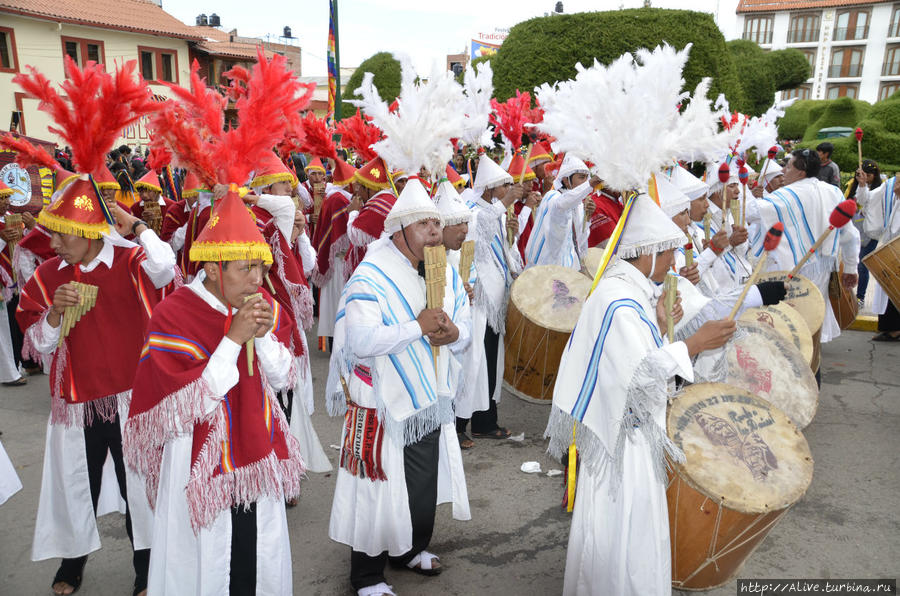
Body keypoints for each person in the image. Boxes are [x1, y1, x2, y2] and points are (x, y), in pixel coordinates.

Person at [12, 56, 170, 596]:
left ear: (93, 233)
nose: (54, 245)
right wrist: (55, 313)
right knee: (73, 485)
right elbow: (34, 341)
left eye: (63, 235)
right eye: (53, 234)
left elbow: (167, 265)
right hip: (76, 401)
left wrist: (132, 224)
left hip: (130, 396)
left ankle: (146, 567)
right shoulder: (52, 274)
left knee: (140, 487)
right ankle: (72, 561)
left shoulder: (129, 261)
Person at [545, 194, 736, 596]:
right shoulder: (618, 300)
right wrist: (695, 343)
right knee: (623, 526)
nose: (673, 262)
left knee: (627, 526)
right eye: (669, 253)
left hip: (628, 432)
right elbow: (642, 374)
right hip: (620, 441)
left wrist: (664, 323)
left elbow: (639, 357)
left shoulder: (629, 293)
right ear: (647, 252)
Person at [125, 189, 305, 594]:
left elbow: (283, 379)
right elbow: (186, 403)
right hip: (197, 459)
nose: (258, 280)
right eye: (247, 269)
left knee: (258, 554)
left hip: (257, 448)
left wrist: (265, 339)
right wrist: (233, 340)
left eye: (261, 267)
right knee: (207, 560)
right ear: (211, 268)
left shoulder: (261, 303)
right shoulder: (175, 312)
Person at [326, 176, 471, 596]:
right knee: (376, 486)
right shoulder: (370, 276)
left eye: (435, 223)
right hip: (381, 403)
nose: (434, 231)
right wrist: (417, 327)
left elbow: (462, 323)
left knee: (421, 481)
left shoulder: (439, 269)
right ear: (400, 230)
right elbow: (360, 341)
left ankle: (409, 549)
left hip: (427, 397)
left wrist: (453, 334)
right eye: (425, 224)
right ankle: (367, 574)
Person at [750, 148, 860, 347]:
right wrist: (851, 268)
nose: (784, 171)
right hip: (821, 271)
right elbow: (850, 235)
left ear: (801, 172)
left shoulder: (785, 195)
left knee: (786, 332)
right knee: (812, 326)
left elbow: (749, 213)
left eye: (789, 166)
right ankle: (812, 370)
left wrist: (748, 193)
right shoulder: (834, 192)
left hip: (789, 274)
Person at [458, 153, 521, 440]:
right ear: (489, 186)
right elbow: (479, 225)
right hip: (477, 296)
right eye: (503, 184)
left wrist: (512, 236)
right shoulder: (472, 208)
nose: (508, 189)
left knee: (491, 361)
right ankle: (461, 423)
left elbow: (500, 248)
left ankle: (486, 420)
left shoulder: (493, 208)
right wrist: (505, 205)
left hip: (494, 296)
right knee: (474, 362)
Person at [434, 177, 486, 450]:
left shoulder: (454, 253)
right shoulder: (427, 259)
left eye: (467, 224)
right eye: (459, 225)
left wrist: (466, 290)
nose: (466, 231)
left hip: (453, 342)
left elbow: (470, 281)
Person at [524, 154, 596, 269]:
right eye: (581, 177)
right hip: (543, 271)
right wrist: (591, 184)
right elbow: (562, 204)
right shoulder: (552, 197)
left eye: (586, 178)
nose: (585, 182)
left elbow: (579, 242)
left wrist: (587, 218)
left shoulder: (578, 205)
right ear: (566, 181)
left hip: (568, 270)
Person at [854, 164, 899, 340]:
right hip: (891, 246)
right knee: (888, 286)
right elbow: (865, 200)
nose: (897, 184)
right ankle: (891, 328)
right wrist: (863, 185)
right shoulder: (888, 187)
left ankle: (895, 329)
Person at [849, 160, 882, 304]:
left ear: (875, 175)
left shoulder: (880, 190)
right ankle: (850, 296)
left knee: (863, 265)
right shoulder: (854, 187)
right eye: (863, 175)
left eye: (869, 175)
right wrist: (860, 184)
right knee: (853, 265)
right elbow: (857, 201)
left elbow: (865, 201)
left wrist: (863, 186)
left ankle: (860, 297)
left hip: (871, 234)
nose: (866, 178)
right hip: (855, 232)